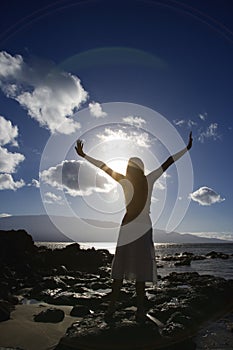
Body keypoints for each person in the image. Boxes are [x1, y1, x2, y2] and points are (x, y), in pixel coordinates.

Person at [75, 132, 193, 322]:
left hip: (129, 224)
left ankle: (112, 308)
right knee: (139, 269)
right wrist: (186, 149)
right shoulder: (149, 179)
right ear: (141, 167)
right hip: (142, 225)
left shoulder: (124, 180)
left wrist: (84, 155)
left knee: (121, 268)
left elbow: (104, 167)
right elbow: (168, 161)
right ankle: (139, 310)